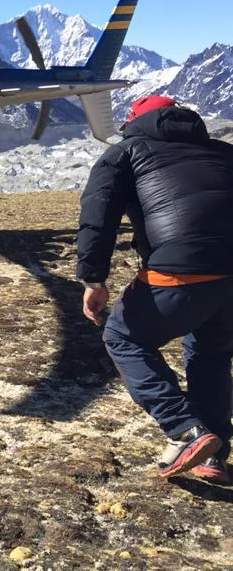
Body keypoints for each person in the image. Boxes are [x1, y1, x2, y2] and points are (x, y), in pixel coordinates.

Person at [77, 95, 233, 483]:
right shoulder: (223, 153)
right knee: (210, 354)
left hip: (180, 270)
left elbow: (98, 217)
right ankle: (213, 457)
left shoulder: (126, 152)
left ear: (134, 122)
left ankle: (184, 430)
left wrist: (94, 280)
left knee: (122, 333)